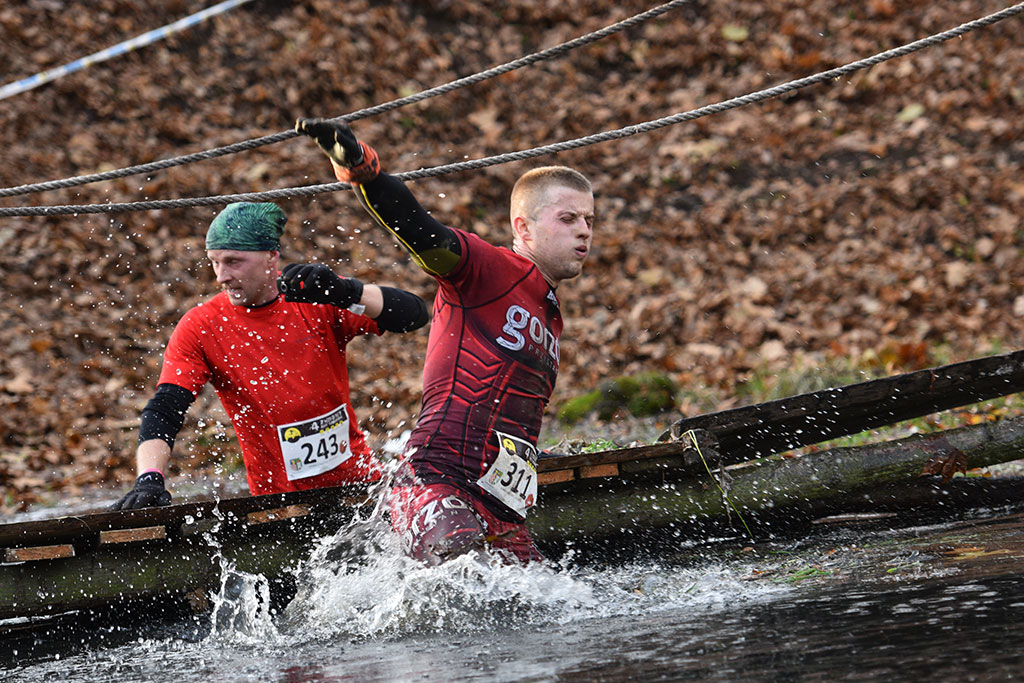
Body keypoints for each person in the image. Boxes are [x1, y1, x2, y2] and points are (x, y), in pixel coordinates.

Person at [295, 118, 595, 565]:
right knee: (462, 570)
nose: (585, 230)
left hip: (501, 508)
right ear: (524, 227)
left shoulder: (550, 313)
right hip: (435, 482)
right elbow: (418, 228)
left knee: (549, 602)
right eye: (568, 218)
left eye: (589, 220)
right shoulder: (486, 269)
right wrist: (364, 172)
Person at [111, 201, 429, 509]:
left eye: (234, 262)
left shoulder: (315, 296)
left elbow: (413, 315)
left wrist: (348, 292)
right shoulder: (201, 326)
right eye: (215, 262)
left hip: (360, 492)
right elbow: (165, 409)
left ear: (270, 257)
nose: (222, 276)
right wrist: (149, 478)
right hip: (278, 507)